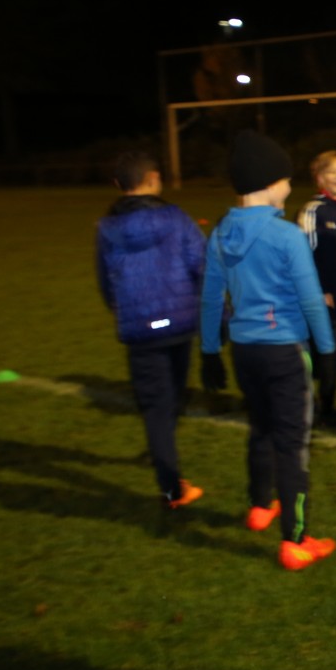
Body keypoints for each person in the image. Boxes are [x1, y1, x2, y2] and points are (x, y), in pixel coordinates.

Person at [200, 129, 336, 571]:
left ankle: (260, 506)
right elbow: (311, 299)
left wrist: (209, 351)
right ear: (268, 182)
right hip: (284, 352)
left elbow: (211, 298)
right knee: (292, 443)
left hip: (245, 352)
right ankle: (295, 541)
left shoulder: (220, 233)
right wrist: (327, 352)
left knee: (260, 427)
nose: (289, 187)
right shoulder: (286, 236)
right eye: (286, 179)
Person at [95, 150, 206, 509]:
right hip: (179, 323)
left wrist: (124, 309)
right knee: (171, 398)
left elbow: (106, 282)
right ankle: (172, 488)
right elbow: (201, 264)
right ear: (154, 179)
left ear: (117, 184)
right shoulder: (175, 217)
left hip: (142, 328)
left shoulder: (107, 228)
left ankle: (163, 460)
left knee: (157, 405)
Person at [297, 150, 336, 425]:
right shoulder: (313, 210)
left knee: (335, 355)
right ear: (320, 177)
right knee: (314, 355)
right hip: (318, 299)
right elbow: (302, 256)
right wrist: (318, 292)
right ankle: (305, 407)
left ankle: (328, 409)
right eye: (333, 172)